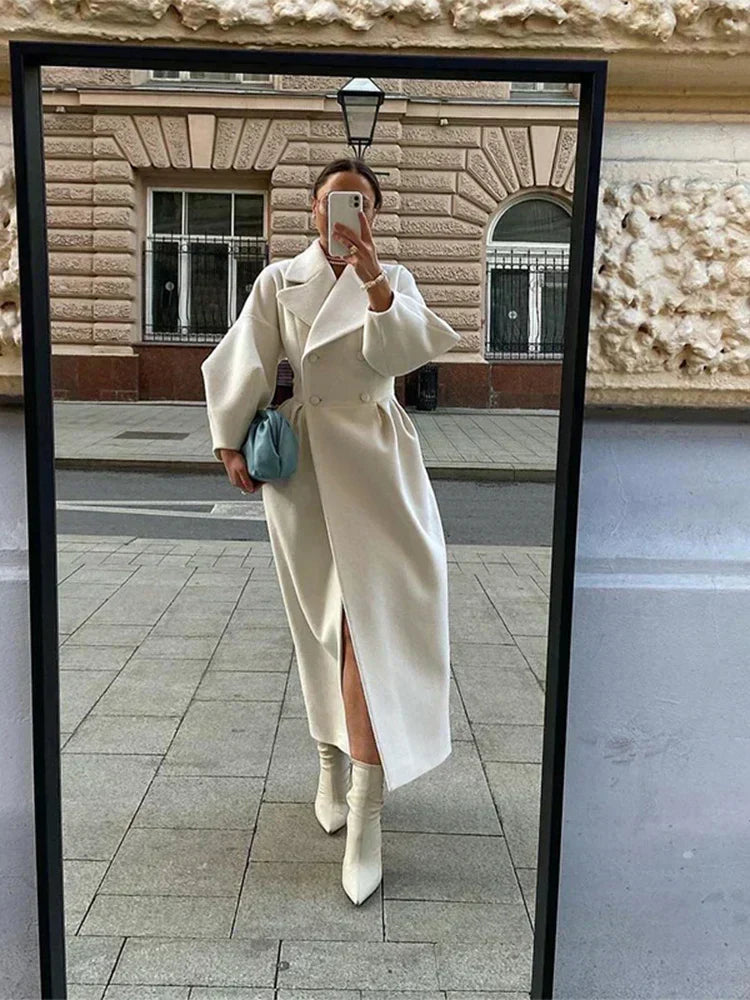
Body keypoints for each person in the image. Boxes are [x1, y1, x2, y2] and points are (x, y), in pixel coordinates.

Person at [201, 157, 461, 906]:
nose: (346, 214)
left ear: (373, 213)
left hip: (379, 462)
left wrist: (375, 281)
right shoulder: (279, 280)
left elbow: (403, 356)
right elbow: (248, 355)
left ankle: (365, 812)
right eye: (333, 202)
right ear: (313, 211)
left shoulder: (395, 279)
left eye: (360, 203)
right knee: (320, 624)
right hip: (307, 468)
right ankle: (329, 761)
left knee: (367, 628)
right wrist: (228, 440)